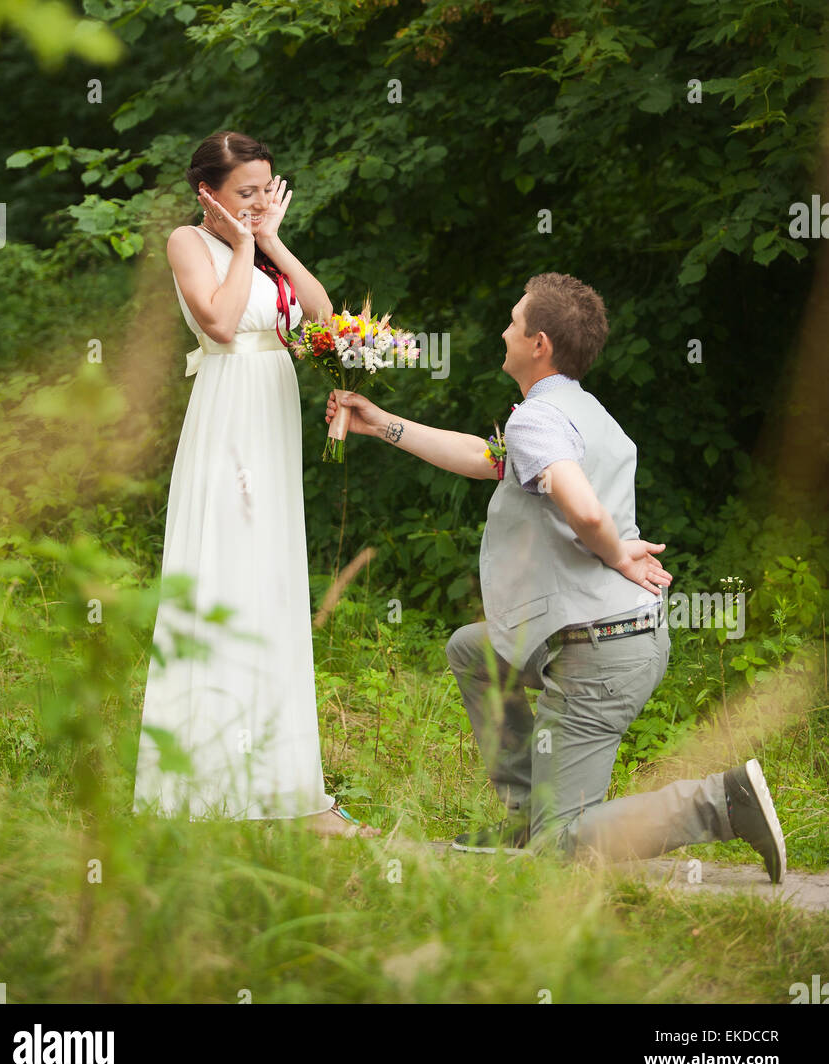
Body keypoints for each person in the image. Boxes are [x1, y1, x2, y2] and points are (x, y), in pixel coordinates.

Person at [324, 272, 785, 879]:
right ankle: (524, 814)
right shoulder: (573, 411)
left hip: (600, 650)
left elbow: (584, 508)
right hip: (594, 632)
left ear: (538, 342)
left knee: (560, 847)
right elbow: (484, 459)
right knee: (472, 650)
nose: (504, 331)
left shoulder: (539, 420)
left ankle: (721, 802)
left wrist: (617, 552)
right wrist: (381, 422)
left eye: (513, 322)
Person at [134, 130, 378, 838]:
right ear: (207, 192)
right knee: (226, 573)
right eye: (246, 192)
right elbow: (215, 320)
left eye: (266, 191)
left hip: (271, 415)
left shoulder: (263, 248)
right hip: (229, 410)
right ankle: (204, 783)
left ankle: (290, 790)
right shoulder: (189, 241)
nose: (259, 203)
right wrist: (243, 243)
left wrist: (273, 241)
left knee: (270, 579)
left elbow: (325, 319)